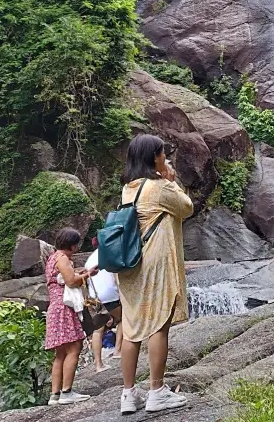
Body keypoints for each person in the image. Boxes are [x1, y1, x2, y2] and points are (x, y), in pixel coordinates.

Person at [118, 134, 193, 415]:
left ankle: (128, 394)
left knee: (132, 329)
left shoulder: (128, 189)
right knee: (158, 324)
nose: (165, 158)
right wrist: (171, 178)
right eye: (162, 154)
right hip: (153, 264)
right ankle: (156, 392)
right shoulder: (160, 187)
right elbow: (186, 207)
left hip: (130, 266)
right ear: (154, 158)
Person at [45, 228, 97, 406]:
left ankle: (55, 395)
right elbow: (71, 281)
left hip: (55, 308)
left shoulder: (53, 257)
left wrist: (82, 272)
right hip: (64, 308)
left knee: (60, 353)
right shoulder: (63, 258)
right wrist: (89, 274)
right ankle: (67, 391)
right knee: (75, 347)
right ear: (73, 245)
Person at [85, 242, 123, 372]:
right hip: (109, 294)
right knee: (122, 319)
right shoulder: (110, 254)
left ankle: (98, 364)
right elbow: (115, 276)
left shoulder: (90, 259)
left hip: (94, 296)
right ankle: (118, 351)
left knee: (98, 330)